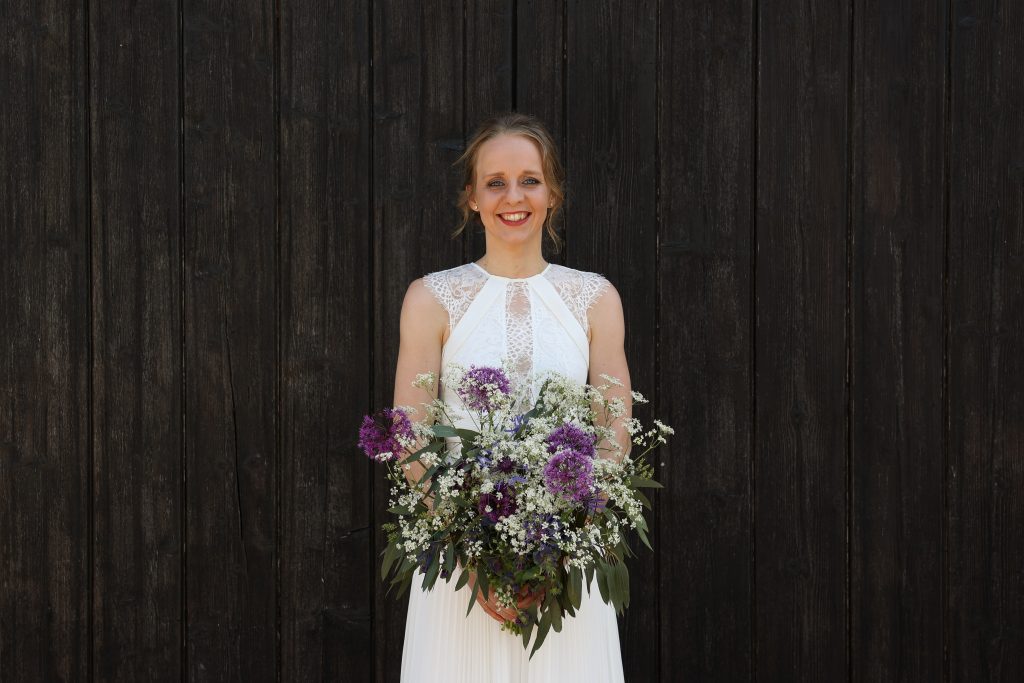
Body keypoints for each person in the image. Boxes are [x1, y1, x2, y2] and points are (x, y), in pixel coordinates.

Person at [392, 112, 631, 682]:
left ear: (552, 193)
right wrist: (471, 557)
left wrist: (560, 545)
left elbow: (613, 432)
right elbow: (411, 437)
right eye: (494, 182)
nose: (512, 196)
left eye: (529, 179)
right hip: (460, 572)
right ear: (471, 198)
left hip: (563, 574)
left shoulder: (595, 299)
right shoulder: (432, 299)